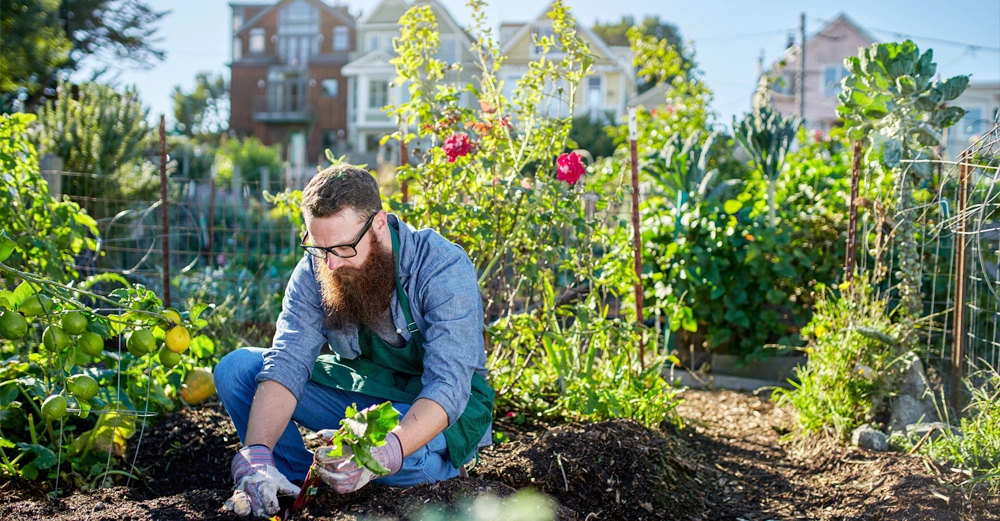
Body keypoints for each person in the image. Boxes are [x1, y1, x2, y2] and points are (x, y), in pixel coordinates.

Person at [215, 164, 494, 517]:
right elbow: (288, 360)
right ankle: (293, 487)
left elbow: (448, 385)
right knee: (237, 369)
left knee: (395, 459)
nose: (330, 264)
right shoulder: (318, 267)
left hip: (440, 405)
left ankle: (444, 475)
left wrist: (387, 450)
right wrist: (256, 454)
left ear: (378, 223)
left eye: (344, 248)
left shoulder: (441, 267)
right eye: (319, 247)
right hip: (366, 392)